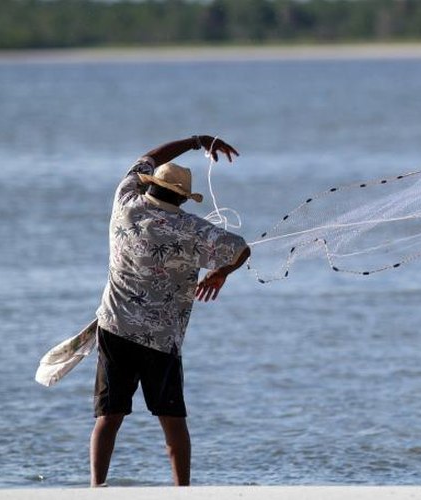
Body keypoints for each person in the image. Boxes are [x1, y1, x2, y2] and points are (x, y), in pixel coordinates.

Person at [90, 135, 250, 487]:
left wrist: (197, 140)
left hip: (114, 327)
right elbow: (240, 250)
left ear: (149, 184)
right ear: (181, 198)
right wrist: (220, 273)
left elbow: (148, 155)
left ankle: (95, 488)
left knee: (108, 416)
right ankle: (183, 491)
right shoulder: (189, 229)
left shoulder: (125, 200)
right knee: (172, 419)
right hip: (160, 341)